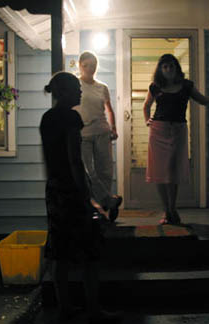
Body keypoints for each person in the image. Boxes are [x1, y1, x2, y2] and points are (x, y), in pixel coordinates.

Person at [40, 72, 121, 324]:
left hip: (54, 189)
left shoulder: (47, 119)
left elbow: (51, 159)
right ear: (63, 92)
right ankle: (94, 310)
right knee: (90, 251)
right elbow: (75, 159)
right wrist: (86, 198)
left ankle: (65, 307)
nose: (80, 92)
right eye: (76, 88)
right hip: (71, 190)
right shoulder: (70, 117)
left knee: (60, 251)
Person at [143, 53, 209, 225]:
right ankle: (167, 211)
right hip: (158, 131)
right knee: (159, 172)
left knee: (172, 171)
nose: (168, 69)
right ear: (161, 69)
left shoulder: (186, 86)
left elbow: (204, 101)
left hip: (178, 130)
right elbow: (146, 105)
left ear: (177, 68)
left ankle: (172, 208)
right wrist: (147, 120)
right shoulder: (155, 86)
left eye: (171, 66)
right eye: (165, 66)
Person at [73, 51, 122, 222]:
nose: (90, 68)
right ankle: (106, 200)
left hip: (102, 130)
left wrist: (114, 128)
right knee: (87, 171)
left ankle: (104, 208)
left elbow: (109, 109)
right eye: (86, 65)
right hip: (83, 133)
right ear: (80, 65)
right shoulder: (75, 84)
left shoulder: (102, 87)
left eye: (93, 65)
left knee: (105, 170)